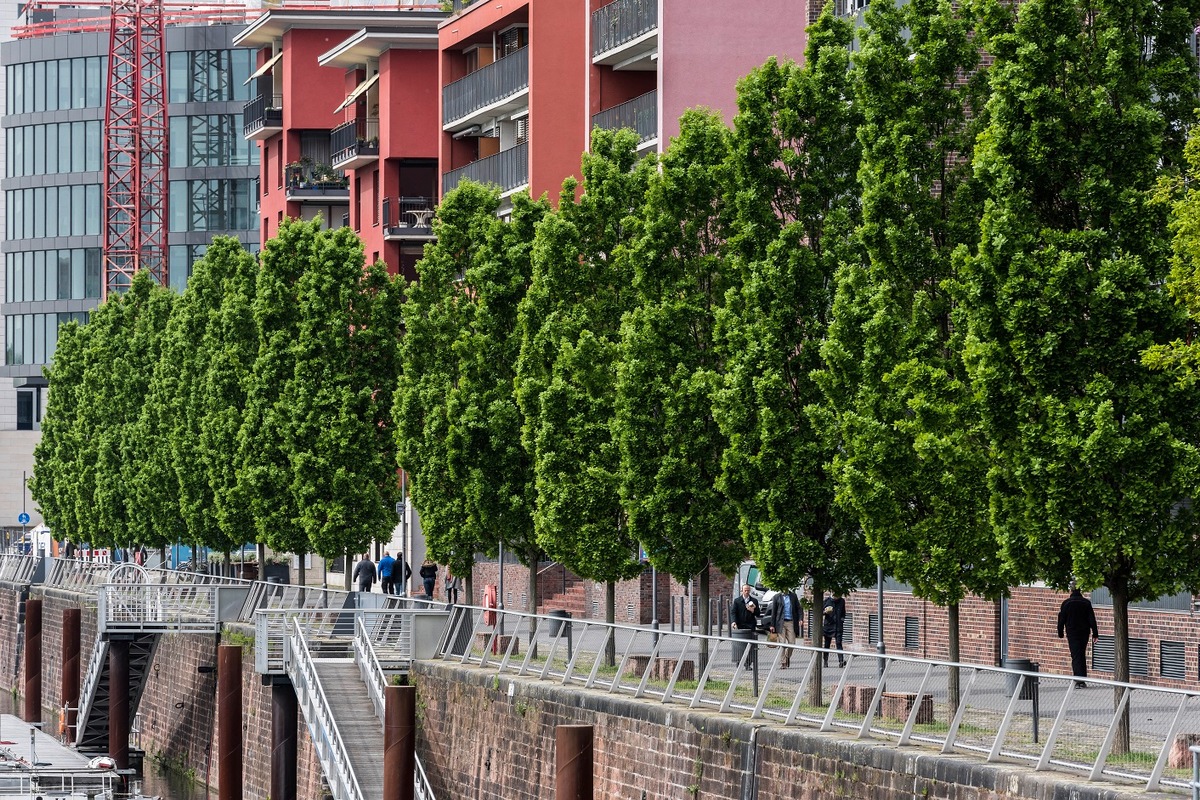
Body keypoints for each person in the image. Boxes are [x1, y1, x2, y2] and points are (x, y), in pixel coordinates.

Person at [1058, 582, 1099, 687]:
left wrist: (1060, 632)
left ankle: (1078, 679)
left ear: (1071, 590)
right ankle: (1082, 678)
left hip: (1072, 632)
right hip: (1084, 632)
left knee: (1076, 655)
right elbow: (1091, 619)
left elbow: (1061, 619)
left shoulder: (1066, 603)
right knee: (1081, 653)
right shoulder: (1086, 603)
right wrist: (1095, 633)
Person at [769, 587, 802, 668]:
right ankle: (783, 662)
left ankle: (787, 657)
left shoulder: (793, 596)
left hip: (791, 622)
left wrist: (800, 619)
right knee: (782, 643)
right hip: (780, 622)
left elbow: (799, 608)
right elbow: (774, 611)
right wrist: (772, 625)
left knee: (792, 643)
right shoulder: (777, 597)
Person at [822, 591, 846, 668]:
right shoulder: (827, 601)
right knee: (827, 644)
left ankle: (841, 661)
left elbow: (843, 612)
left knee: (839, 643)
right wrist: (825, 612)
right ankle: (825, 661)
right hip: (829, 625)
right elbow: (821, 612)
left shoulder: (841, 601)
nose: (836, 598)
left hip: (838, 625)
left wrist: (842, 620)